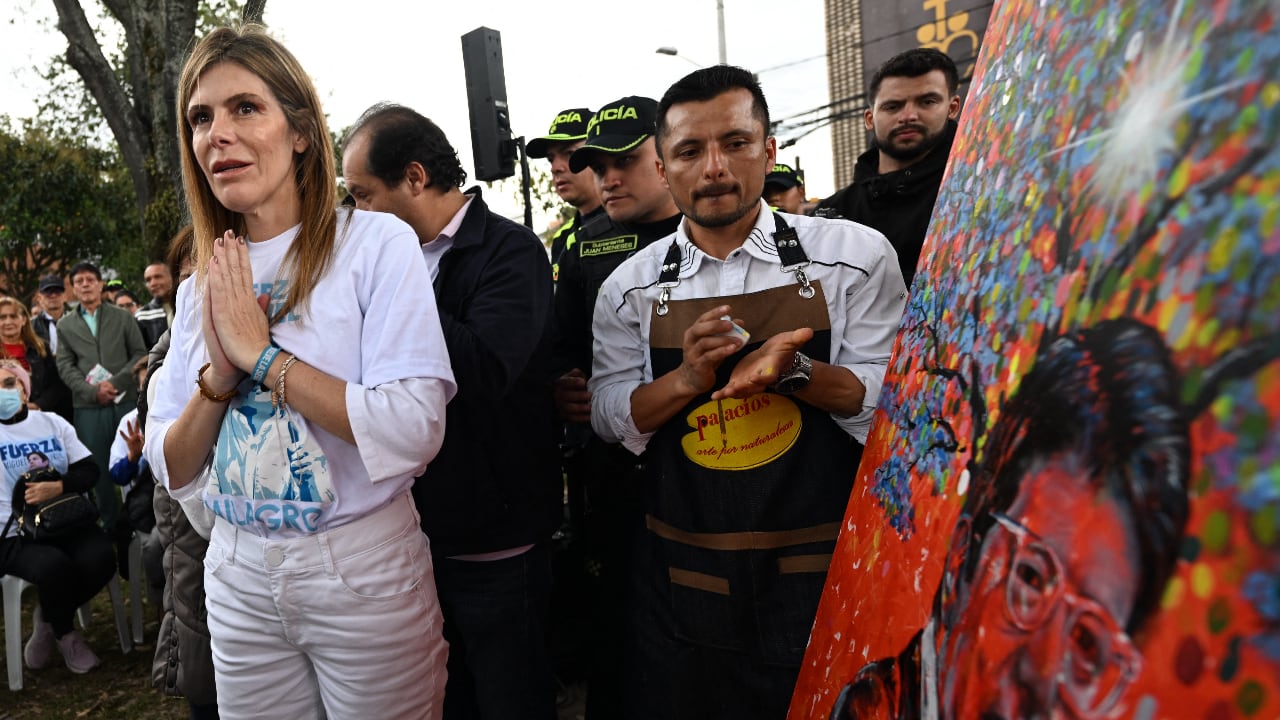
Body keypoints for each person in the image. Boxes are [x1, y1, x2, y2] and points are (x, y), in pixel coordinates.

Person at [144, 23, 455, 719]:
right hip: (235, 571)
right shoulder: (202, 283)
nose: (216, 133)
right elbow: (170, 462)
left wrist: (264, 358)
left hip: (360, 569)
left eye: (244, 107)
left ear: (301, 131)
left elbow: (413, 428)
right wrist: (220, 381)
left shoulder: (374, 244)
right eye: (200, 117)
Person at [588, 65, 907, 719]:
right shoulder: (629, 288)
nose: (713, 168)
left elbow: (896, 407)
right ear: (664, 164)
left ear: (768, 149)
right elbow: (607, 415)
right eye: (688, 151)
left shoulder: (854, 256)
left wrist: (796, 375)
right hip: (686, 572)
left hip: (826, 564)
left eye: (734, 143)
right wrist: (684, 381)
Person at [828, 319, 1191, 720]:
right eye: (1031, 578)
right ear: (963, 555)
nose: (1043, 671)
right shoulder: (877, 708)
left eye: (1087, 640)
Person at [342, 102, 561, 720]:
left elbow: (485, 368)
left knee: (508, 699)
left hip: (498, 540)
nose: (355, 215)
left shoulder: (509, 252)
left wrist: (402, 284)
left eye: (363, 195)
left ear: (415, 177)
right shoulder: (373, 264)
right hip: (409, 536)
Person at [553, 94, 684, 717]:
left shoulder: (711, 231)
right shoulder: (582, 245)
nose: (608, 178)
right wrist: (561, 385)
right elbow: (561, 349)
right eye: (597, 165)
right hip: (610, 467)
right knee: (617, 622)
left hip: (704, 456)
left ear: (664, 159)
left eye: (624, 162)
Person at [147, 225, 221, 720]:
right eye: (188, 272)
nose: (200, 281)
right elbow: (174, 466)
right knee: (207, 676)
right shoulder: (167, 359)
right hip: (195, 538)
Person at [0, 362, 116, 674]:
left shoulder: (51, 422)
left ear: (24, 391)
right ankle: (66, 634)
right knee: (54, 567)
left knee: (103, 557)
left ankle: (49, 619)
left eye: (9, 383)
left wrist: (59, 486)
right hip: (12, 535)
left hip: (63, 520)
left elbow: (89, 470)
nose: (3, 391)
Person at [816, 48, 961, 286]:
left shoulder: (975, 194)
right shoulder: (832, 214)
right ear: (869, 119)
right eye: (893, 106)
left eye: (927, 102)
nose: (908, 116)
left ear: (952, 107)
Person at [55, 261, 148, 533]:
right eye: (79, 281)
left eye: (90, 279)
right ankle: (109, 525)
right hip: (88, 407)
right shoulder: (65, 325)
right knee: (97, 468)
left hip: (125, 402)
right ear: (73, 289)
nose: (85, 284)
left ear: (100, 284)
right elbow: (64, 365)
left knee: (134, 457)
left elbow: (140, 353)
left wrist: (115, 383)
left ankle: (137, 519)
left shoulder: (123, 316)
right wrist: (92, 391)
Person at [525, 107, 602, 284]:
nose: (555, 167)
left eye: (569, 154)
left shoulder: (631, 224)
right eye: (551, 159)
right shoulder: (562, 238)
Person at [0, 295, 71, 420]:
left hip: (37, 416)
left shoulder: (40, 348)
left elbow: (56, 383)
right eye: (2, 317)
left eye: (13, 316)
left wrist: (39, 404)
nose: (8, 322)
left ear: (24, 320)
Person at [137, 260, 176, 349]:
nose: (153, 283)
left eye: (158, 277)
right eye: (148, 280)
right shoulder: (141, 315)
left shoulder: (187, 306)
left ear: (171, 277)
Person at [31, 274, 72, 356]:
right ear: (39, 298)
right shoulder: (31, 326)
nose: (53, 295)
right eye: (48, 292)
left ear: (65, 296)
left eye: (58, 292)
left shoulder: (76, 322)